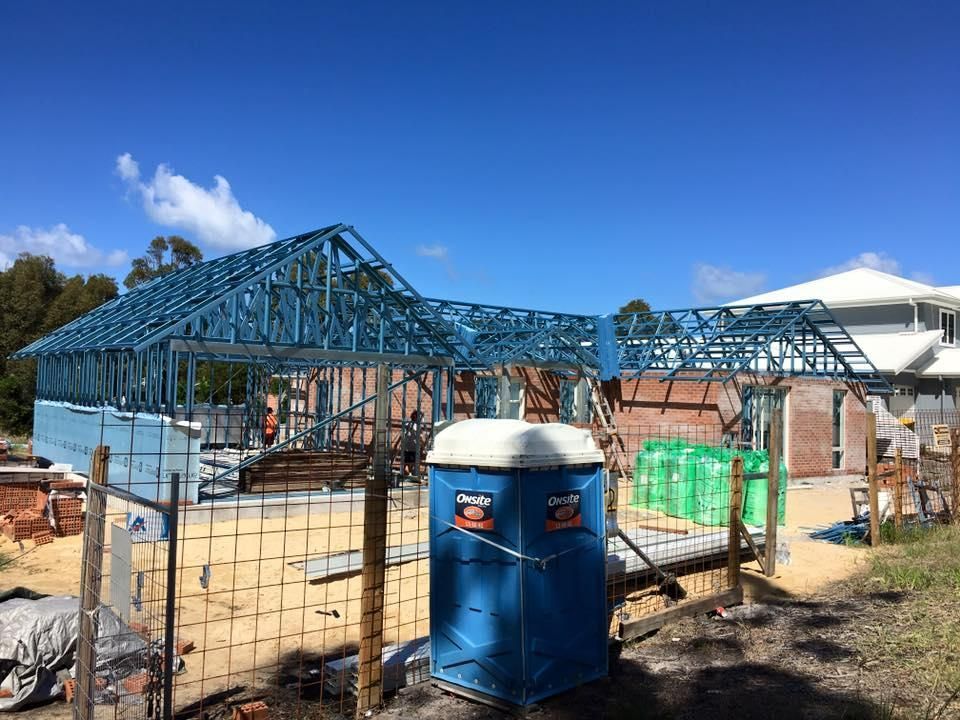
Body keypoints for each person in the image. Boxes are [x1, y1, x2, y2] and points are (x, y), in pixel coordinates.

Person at [402, 411, 423, 478]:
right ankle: (405, 473)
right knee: (407, 460)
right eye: (420, 417)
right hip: (409, 445)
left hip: (413, 446)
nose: (421, 419)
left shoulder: (417, 425)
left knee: (411, 461)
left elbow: (420, 435)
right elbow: (404, 434)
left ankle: (409, 473)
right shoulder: (410, 424)